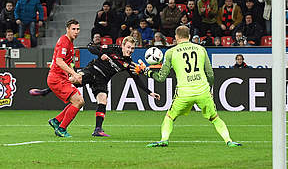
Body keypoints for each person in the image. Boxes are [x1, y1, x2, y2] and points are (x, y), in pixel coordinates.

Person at [131, 26, 241, 147]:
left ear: (176, 37)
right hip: (202, 90)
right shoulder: (201, 49)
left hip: (184, 93)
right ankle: (229, 141)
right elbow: (210, 74)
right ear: (189, 36)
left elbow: (161, 78)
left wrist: (146, 72)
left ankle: (164, 140)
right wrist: (209, 88)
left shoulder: (170, 52)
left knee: (170, 117)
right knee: (215, 118)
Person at [30, 36, 160, 137]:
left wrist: (150, 93)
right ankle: (46, 91)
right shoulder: (112, 48)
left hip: (102, 81)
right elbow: (90, 47)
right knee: (76, 79)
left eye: (132, 48)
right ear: (123, 45)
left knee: (103, 100)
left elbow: (136, 79)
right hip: (93, 70)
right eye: (128, 47)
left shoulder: (129, 63)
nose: (130, 50)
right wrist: (100, 53)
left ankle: (97, 129)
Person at [46, 19, 84, 138]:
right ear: (67, 29)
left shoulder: (69, 42)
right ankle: (61, 129)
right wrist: (74, 74)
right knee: (78, 101)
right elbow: (59, 61)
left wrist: (71, 75)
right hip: (56, 78)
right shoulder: (64, 41)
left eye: (78, 29)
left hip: (61, 78)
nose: (76, 31)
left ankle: (56, 121)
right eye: (73, 29)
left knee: (77, 101)